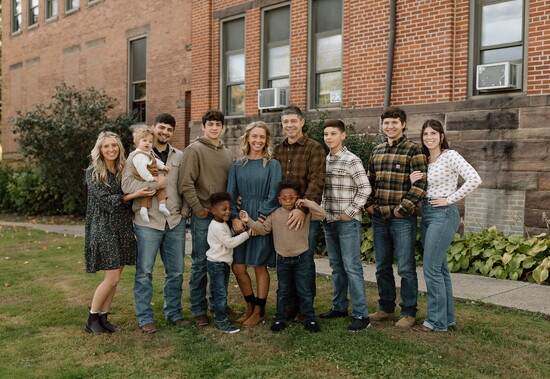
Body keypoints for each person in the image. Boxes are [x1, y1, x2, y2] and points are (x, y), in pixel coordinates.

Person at [409, 120, 481, 332]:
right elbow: (423, 188)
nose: (429, 137)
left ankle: (435, 322)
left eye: (433, 133)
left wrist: (450, 199)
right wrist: (413, 180)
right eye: (425, 134)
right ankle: (446, 318)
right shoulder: (424, 159)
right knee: (440, 268)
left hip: (443, 213)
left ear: (441, 136)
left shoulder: (451, 155)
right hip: (428, 212)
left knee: (431, 268)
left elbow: (474, 179)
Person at [122, 113, 188, 334]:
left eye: (169, 129)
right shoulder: (136, 155)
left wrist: (185, 212)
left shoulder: (179, 156)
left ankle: (174, 313)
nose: (165, 132)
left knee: (177, 272)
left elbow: (185, 184)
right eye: (161, 128)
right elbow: (127, 184)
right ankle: (145, 317)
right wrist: (155, 184)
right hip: (147, 221)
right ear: (153, 128)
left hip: (174, 220)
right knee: (144, 272)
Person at [365, 106, 428, 328]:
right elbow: (368, 183)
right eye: (386, 123)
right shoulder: (377, 151)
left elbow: (420, 185)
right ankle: (385, 308)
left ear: (403, 124)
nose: (390, 126)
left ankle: (409, 312)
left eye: (394, 122)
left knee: (405, 267)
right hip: (379, 218)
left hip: (402, 219)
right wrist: (369, 207)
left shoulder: (414, 150)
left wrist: (400, 210)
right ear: (382, 125)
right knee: (382, 265)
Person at [84, 131, 153, 334]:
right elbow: (106, 201)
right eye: (106, 146)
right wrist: (134, 195)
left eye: (114, 145)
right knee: (111, 278)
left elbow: (135, 184)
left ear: (120, 148)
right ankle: (92, 319)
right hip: (103, 226)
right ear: (100, 149)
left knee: (116, 276)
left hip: (122, 226)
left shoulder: (124, 169)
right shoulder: (93, 172)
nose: (111, 149)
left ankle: (103, 320)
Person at [240, 180, 326, 334]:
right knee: (283, 291)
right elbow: (263, 229)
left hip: (302, 258)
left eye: (292, 197)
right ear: (279, 199)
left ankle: (309, 319)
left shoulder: (304, 214)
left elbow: (322, 214)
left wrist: (305, 203)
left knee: (304, 290)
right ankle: (280, 318)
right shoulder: (274, 214)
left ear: (297, 198)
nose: (288, 200)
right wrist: (249, 222)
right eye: (284, 197)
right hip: (283, 259)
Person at [178, 110, 234, 326]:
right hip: (204, 218)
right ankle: (198, 309)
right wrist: (199, 209)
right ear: (203, 126)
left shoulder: (228, 153)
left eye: (218, 124)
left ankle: (218, 303)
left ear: (223, 128)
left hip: (224, 218)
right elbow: (186, 183)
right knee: (201, 262)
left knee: (223, 261)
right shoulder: (194, 150)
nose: (214, 128)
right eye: (210, 124)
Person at [273, 105, 326, 322]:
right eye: (285, 122)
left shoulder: (314, 148)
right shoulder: (277, 150)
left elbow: (317, 180)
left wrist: (302, 209)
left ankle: (306, 307)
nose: (289, 125)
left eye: (293, 121)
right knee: (285, 258)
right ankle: (289, 306)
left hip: (305, 214)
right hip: (282, 213)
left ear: (302, 122)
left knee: (304, 261)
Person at [320, 119, 372, 331]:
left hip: (347, 223)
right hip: (329, 221)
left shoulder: (351, 160)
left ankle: (362, 315)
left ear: (343, 135)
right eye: (326, 134)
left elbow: (365, 188)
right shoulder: (325, 160)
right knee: (336, 267)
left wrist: (349, 213)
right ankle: (339, 306)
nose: (329, 137)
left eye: (333, 133)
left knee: (352, 267)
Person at [228, 121, 282, 326]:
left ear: (267, 140)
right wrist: (234, 217)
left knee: (260, 266)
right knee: (238, 266)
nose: (258, 140)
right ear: (247, 138)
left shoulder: (272, 164)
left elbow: (274, 194)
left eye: (262, 137)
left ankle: (260, 310)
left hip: (262, 218)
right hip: (241, 219)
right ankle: (249, 305)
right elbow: (231, 193)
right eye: (254, 136)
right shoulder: (237, 164)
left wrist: (258, 220)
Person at [206, 192, 252, 334]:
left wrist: (238, 228)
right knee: (220, 292)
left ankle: (216, 309)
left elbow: (228, 234)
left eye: (229, 209)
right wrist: (247, 234)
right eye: (223, 209)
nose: (228, 212)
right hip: (217, 264)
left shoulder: (221, 223)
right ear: (214, 211)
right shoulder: (216, 226)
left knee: (217, 290)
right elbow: (229, 242)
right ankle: (221, 321)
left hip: (221, 263)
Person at [130, 126, 171, 223]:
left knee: (161, 190)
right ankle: (143, 210)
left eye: (150, 141)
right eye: (144, 140)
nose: (147, 143)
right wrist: (150, 178)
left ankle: (162, 206)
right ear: (137, 142)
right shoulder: (139, 156)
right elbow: (142, 170)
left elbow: (155, 161)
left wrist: (163, 166)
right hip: (144, 178)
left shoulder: (147, 153)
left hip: (151, 175)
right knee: (146, 194)